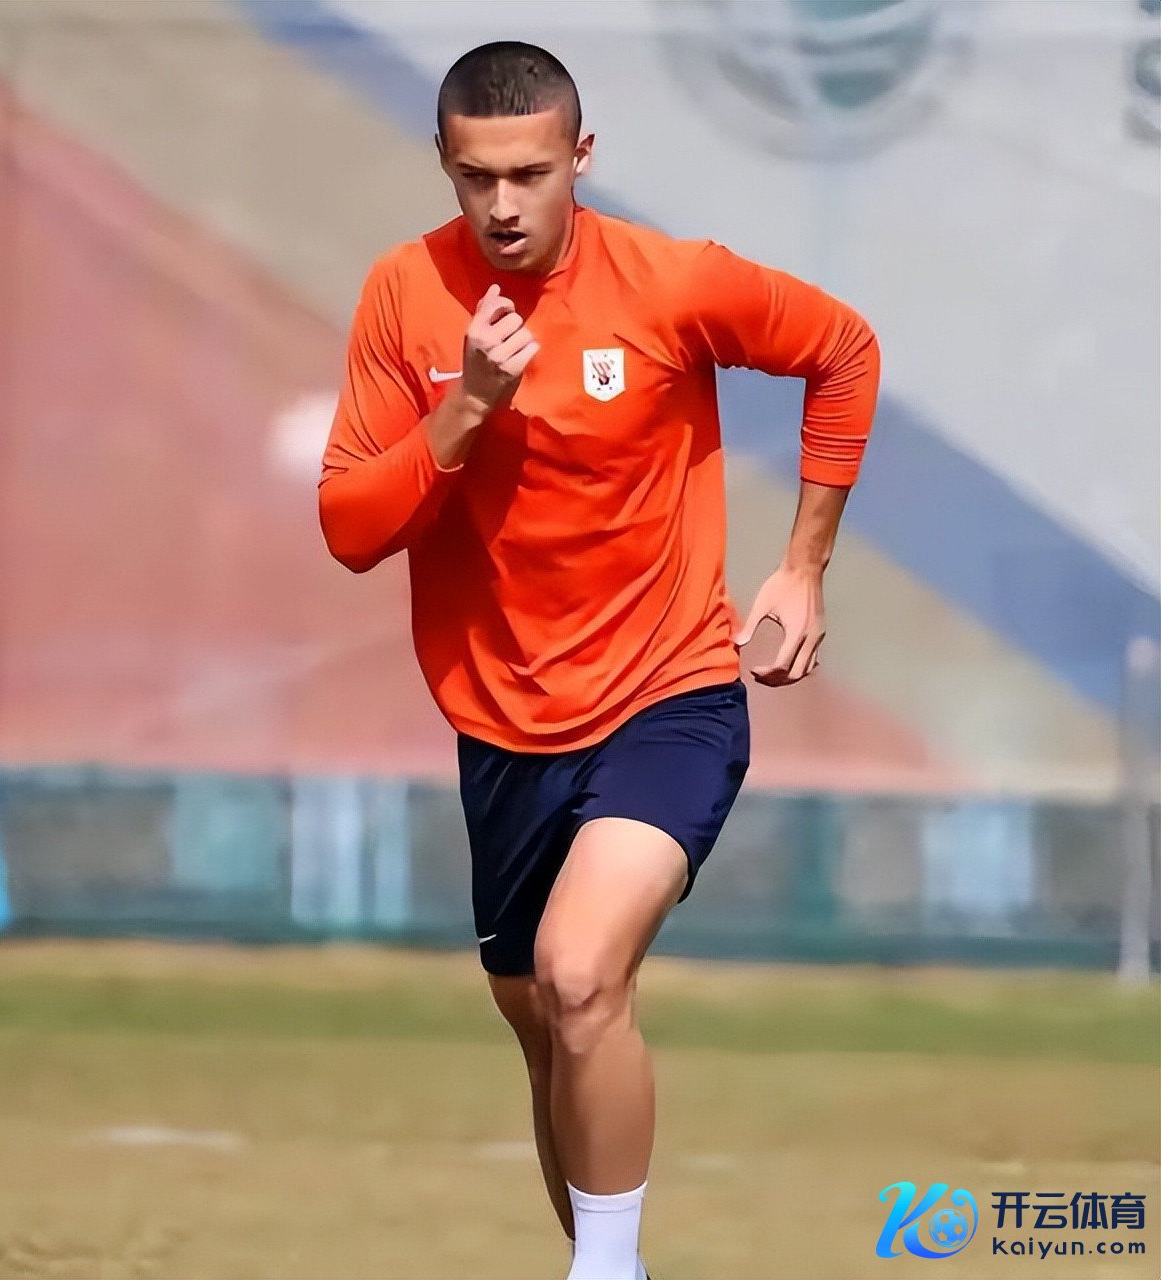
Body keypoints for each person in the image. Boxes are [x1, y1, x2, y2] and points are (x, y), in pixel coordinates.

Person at [318, 40, 880, 1280]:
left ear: (580, 156)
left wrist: (802, 565)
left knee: (579, 974)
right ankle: (611, 1260)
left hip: (668, 694)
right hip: (500, 726)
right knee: (545, 1026)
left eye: (528, 173)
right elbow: (351, 526)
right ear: (442, 162)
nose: (502, 204)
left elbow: (842, 351)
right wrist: (462, 408)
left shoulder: (671, 282)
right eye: (475, 176)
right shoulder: (402, 293)